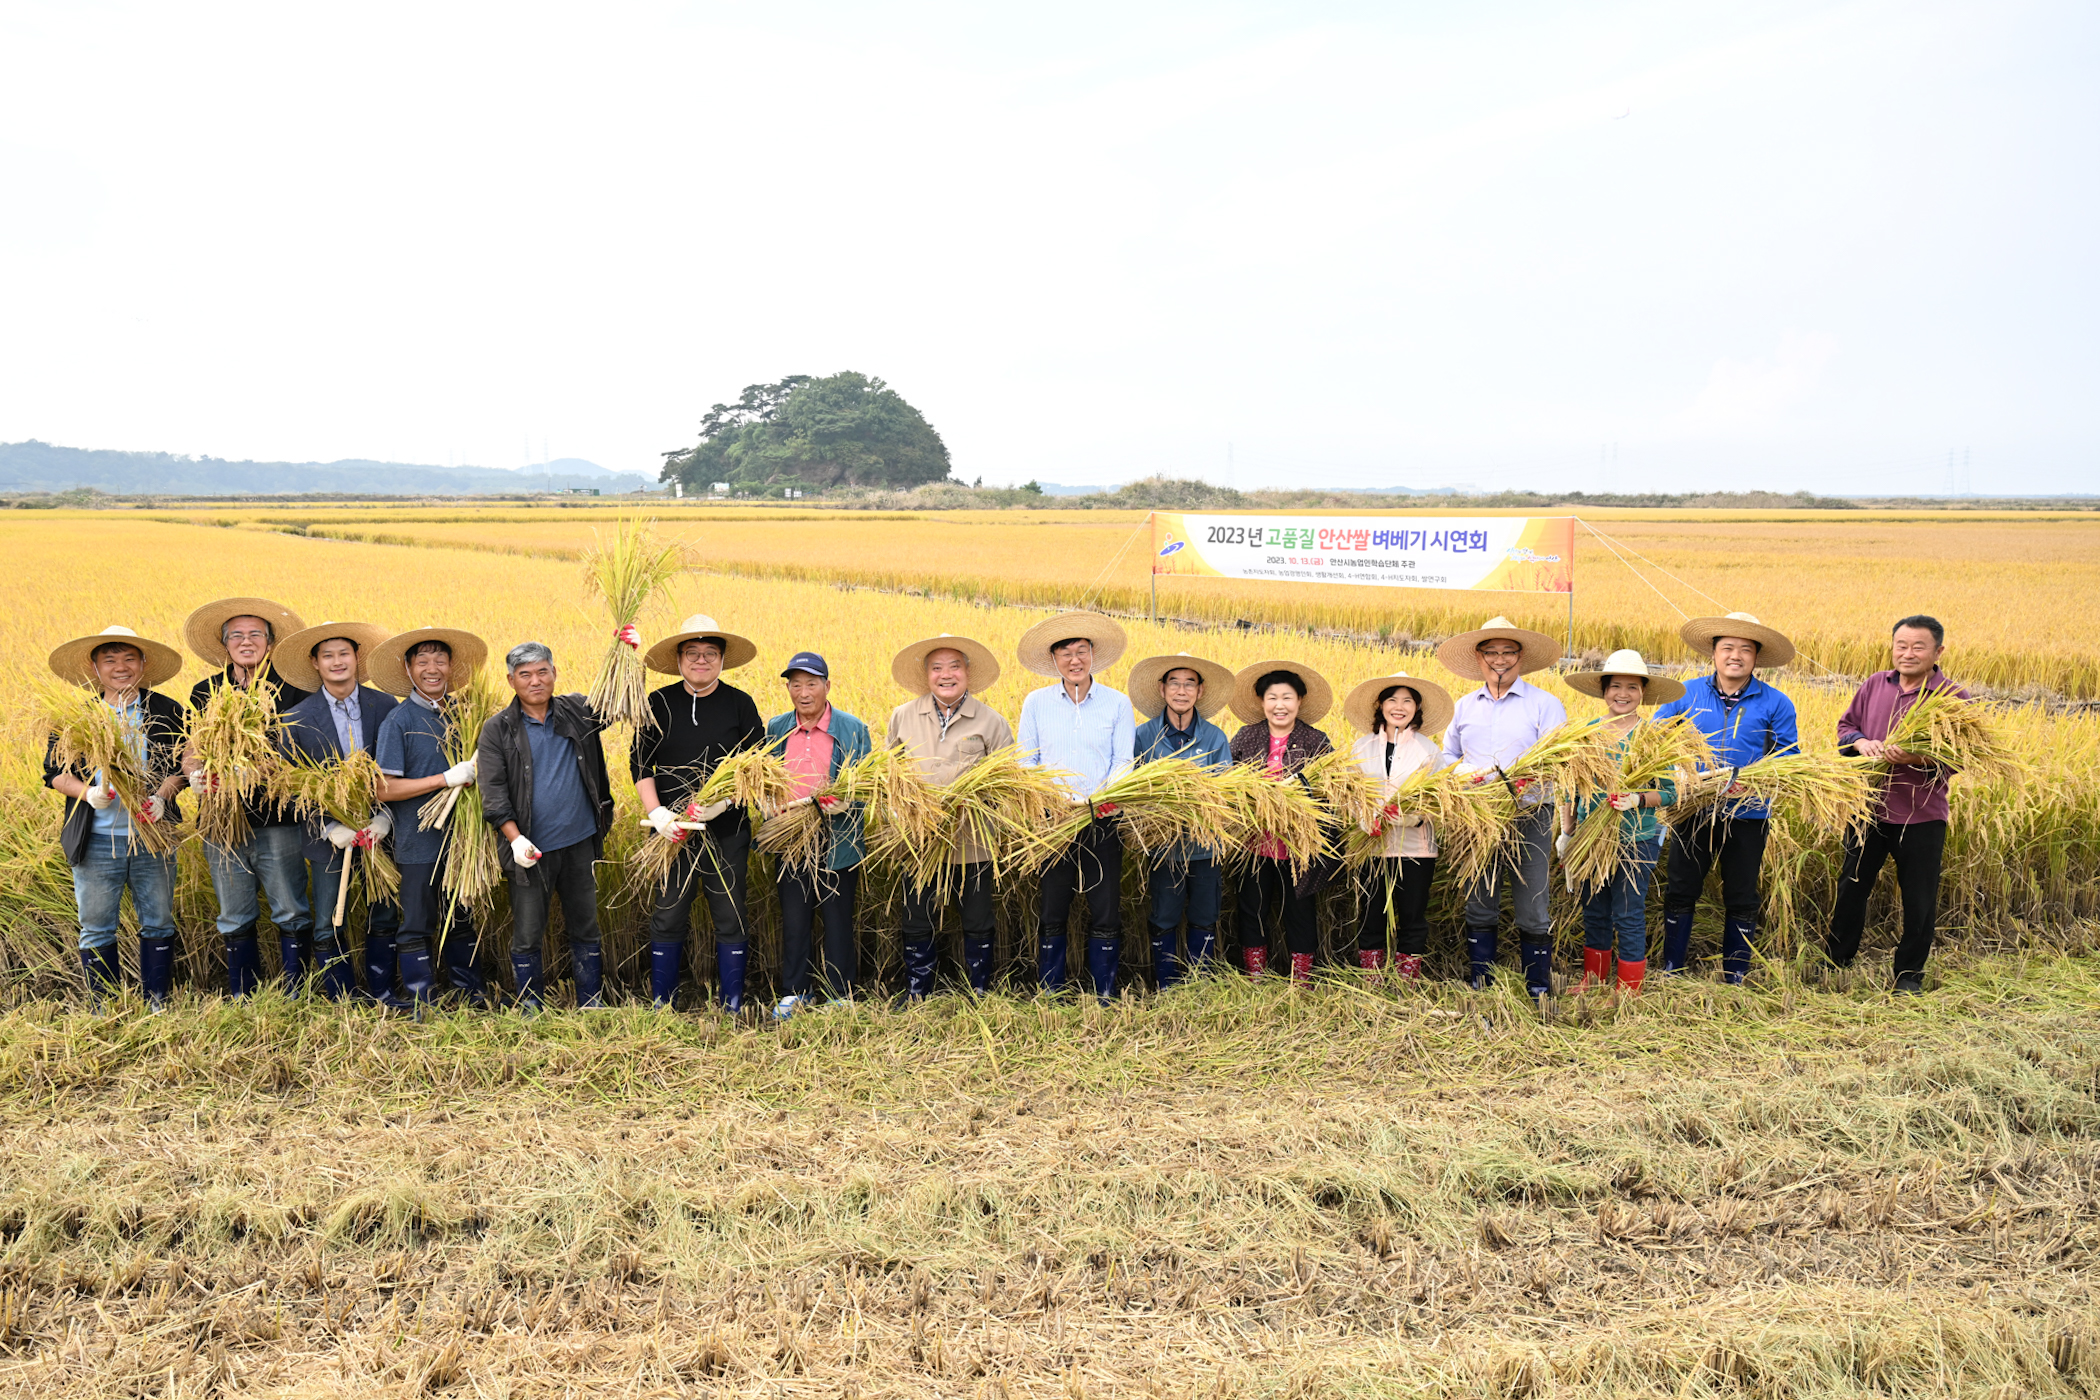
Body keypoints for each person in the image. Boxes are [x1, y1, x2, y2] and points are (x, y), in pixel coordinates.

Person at [43, 626, 190, 1008]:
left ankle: (157, 1002)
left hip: (153, 840)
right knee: (96, 927)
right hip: (95, 842)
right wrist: (88, 793)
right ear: (95, 668)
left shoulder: (167, 710)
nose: (120, 667)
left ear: (143, 664)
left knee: (159, 921)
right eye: (110, 660)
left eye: (129, 659)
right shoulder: (78, 716)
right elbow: (54, 774)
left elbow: (184, 767)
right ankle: (104, 1007)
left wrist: (162, 796)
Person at [1653, 612, 1800, 983]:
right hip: (1693, 810)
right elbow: (1653, 743)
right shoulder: (1684, 694)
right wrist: (1679, 775)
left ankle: (1735, 973)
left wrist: (1753, 784)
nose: (1736, 656)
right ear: (1714, 653)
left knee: (1742, 893)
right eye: (1728, 648)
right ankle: (1673, 967)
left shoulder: (1776, 703)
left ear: (1756, 657)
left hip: (1748, 814)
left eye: (1745, 650)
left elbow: (1789, 758)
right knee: (1682, 888)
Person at [1825, 615, 1967, 994]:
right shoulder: (1875, 684)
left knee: (1918, 899)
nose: (1908, 653)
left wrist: (1914, 758)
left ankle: (1908, 975)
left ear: (1938, 651)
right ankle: (1837, 960)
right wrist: (1861, 743)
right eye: (1901, 645)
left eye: (1918, 647)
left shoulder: (1951, 697)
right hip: (1867, 809)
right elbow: (1845, 727)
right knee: (1852, 887)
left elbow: (1959, 756)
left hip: (1920, 815)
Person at [181, 597, 313, 997]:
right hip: (221, 821)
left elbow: (301, 752)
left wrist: (256, 771)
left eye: (256, 633)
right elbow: (192, 747)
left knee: (290, 908)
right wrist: (194, 774)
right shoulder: (206, 690)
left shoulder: (293, 689)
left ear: (270, 643)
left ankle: (296, 992)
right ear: (224, 645)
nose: (246, 641)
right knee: (234, 913)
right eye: (236, 635)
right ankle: (244, 992)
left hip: (278, 820)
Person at [632, 615, 765, 1011]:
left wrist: (724, 803)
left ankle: (732, 1004)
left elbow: (756, 768)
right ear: (679, 659)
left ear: (722, 659)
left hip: (728, 831)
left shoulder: (740, 704)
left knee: (730, 914)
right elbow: (640, 764)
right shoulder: (658, 703)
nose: (701, 660)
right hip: (672, 833)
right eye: (692, 653)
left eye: (710, 653)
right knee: (668, 913)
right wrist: (657, 813)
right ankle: (663, 1002)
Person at [476, 641, 615, 1011]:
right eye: (525, 675)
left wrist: (624, 652)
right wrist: (515, 839)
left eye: (542, 671)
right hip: (530, 849)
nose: (535, 681)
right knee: (527, 931)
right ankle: (529, 1006)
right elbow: (493, 794)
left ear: (554, 673)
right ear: (511, 680)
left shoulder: (579, 710)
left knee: (586, 924)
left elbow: (619, 703)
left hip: (579, 842)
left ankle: (591, 1000)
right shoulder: (498, 730)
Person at [1436, 616, 1568, 995]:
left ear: (1520, 657)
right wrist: (1467, 777)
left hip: (1530, 814)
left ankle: (1537, 987)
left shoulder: (1545, 705)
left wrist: (1526, 780)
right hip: (1478, 816)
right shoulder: (1464, 707)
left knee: (1533, 902)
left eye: (1508, 652)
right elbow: (1447, 757)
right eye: (1490, 652)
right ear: (1478, 658)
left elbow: (1558, 757)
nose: (1499, 659)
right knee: (1479, 899)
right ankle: (1482, 980)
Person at [1015, 610, 1135, 999]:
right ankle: (1051, 989)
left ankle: (1104, 991)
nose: (1074, 660)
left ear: (1093, 654)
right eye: (1065, 653)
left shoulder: (1117, 704)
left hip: (1103, 817)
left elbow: (1123, 760)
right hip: (1054, 820)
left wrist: (1103, 799)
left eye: (1081, 651)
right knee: (1053, 906)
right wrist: (1049, 801)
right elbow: (1026, 761)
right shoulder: (1036, 703)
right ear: (1053, 660)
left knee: (1105, 905)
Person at [885, 633, 1013, 996]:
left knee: (977, 917)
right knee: (917, 916)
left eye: (954, 666)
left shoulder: (991, 722)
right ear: (926, 675)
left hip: (973, 839)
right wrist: (904, 814)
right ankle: (918, 991)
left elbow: (1008, 783)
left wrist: (976, 805)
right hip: (920, 840)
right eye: (937, 668)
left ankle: (979, 990)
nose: (946, 675)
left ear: (967, 673)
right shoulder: (903, 717)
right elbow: (890, 777)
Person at [277, 621, 399, 1001]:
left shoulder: (386, 706)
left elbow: (400, 767)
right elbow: (290, 786)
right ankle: (341, 997)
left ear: (357, 657)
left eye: (343, 653)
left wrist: (385, 818)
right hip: (328, 836)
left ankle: (383, 992)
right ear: (315, 663)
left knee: (385, 912)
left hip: (380, 830)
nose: (337, 662)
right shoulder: (296, 718)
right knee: (330, 918)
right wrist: (330, 827)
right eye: (327, 655)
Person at [370, 626, 489, 1011]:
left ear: (451, 667)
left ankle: (471, 996)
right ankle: (422, 1000)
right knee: (417, 922)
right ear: (408, 669)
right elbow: (384, 788)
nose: (432, 668)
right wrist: (444, 779)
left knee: (461, 918)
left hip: (464, 842)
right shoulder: (399, 721)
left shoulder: (468, 715)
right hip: (417, 843)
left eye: (440, 660)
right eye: (422, 661)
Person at [1559, 651, 1683, 992]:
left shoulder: (1652, 738)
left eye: (1632, 687)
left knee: (1628, 911)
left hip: (1636, 838)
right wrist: (1567, 832)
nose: (1622, 694)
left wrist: (1637, 799)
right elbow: (1570, 786)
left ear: (1643, 692)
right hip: (1590, 838)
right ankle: (1593, 979)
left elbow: (1669, 793)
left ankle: (1629, 988)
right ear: (1604, 690)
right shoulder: (1586, 733)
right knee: (1594, 910)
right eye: (1615, 686)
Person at [762, 652, 872, 1017]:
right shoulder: (776, 728)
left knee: (838, 918)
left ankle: (840, 993)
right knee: (795, 919)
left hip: (838, 837)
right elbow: (763, 779)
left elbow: (868, 784)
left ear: (827, 686)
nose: (803, 692)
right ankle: (796, 991)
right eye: (795, 684)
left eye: (811, 683)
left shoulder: (852, 728)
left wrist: (846, 803)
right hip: (791, 836)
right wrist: (768, 805)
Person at [1128, 652, 1235, 988]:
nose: (1181, 691)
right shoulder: (1143, 736)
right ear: (1162, 689)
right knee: (1164, 916)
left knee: (1204, 916)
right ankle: (1168, 986)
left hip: (1205, 847)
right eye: (1174, 683)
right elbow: (1132, 789)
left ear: (1199, 692)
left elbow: (1224, 792)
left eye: (1190, 684)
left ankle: (1199, 986)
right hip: (1163, 848)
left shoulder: (1215, 738)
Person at [1226, 661, 1335, 984]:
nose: (1280, 705)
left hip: (1298, 846)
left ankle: (1301, 979)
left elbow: (1331, 790)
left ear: (1299, 701)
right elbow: (1227, 782)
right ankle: (1255, 975)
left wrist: (1296, 801)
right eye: (1272, 698)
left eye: (1287, 697)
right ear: (1262, 702)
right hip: (1253, 844)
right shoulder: (1246, 737)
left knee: (1299, 911)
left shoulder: (1315, 741)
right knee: (1252, 908)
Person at [1341, 672, 1453, 984]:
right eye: (1392, 700)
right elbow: (1349, 793)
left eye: (1407, 701)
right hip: (1371, 847)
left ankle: (1406, 981)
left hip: (1416, 847)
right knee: (1371, 913)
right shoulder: (1360, 748)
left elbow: (1440, 797)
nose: (1399, 707)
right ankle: (1372, 980)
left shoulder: (1428, 751)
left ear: (1417, 708)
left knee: (1413, 915)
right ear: (1380, 705)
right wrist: (1366, 819)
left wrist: (1410, 817)